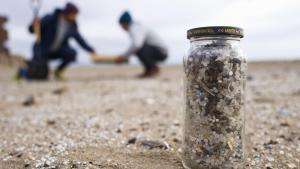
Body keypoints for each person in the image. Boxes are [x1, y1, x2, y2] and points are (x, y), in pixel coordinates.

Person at [18, 2, 96, 80]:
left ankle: (58, 72)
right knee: (39, 75)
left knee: (72, 53)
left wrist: (90, 50)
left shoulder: (72, 26)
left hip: (58, 50)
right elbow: (32, 30)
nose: (75, 17)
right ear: (67, 13)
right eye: (74, 14)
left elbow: (80, 40)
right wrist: (33, 25)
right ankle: (22, 72)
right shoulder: (50, 19)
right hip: (41, 49)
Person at [115, 11, 168, 78]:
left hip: (161, 52)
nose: (122, 28)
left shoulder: (135, 28)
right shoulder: (136, 27)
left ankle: (153, 68)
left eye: (121, 25)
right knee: (137, 49)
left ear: (125, 23)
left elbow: (136, 44)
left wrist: (124, 56)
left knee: (138, 49)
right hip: (158, 50)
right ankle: (149, 70)